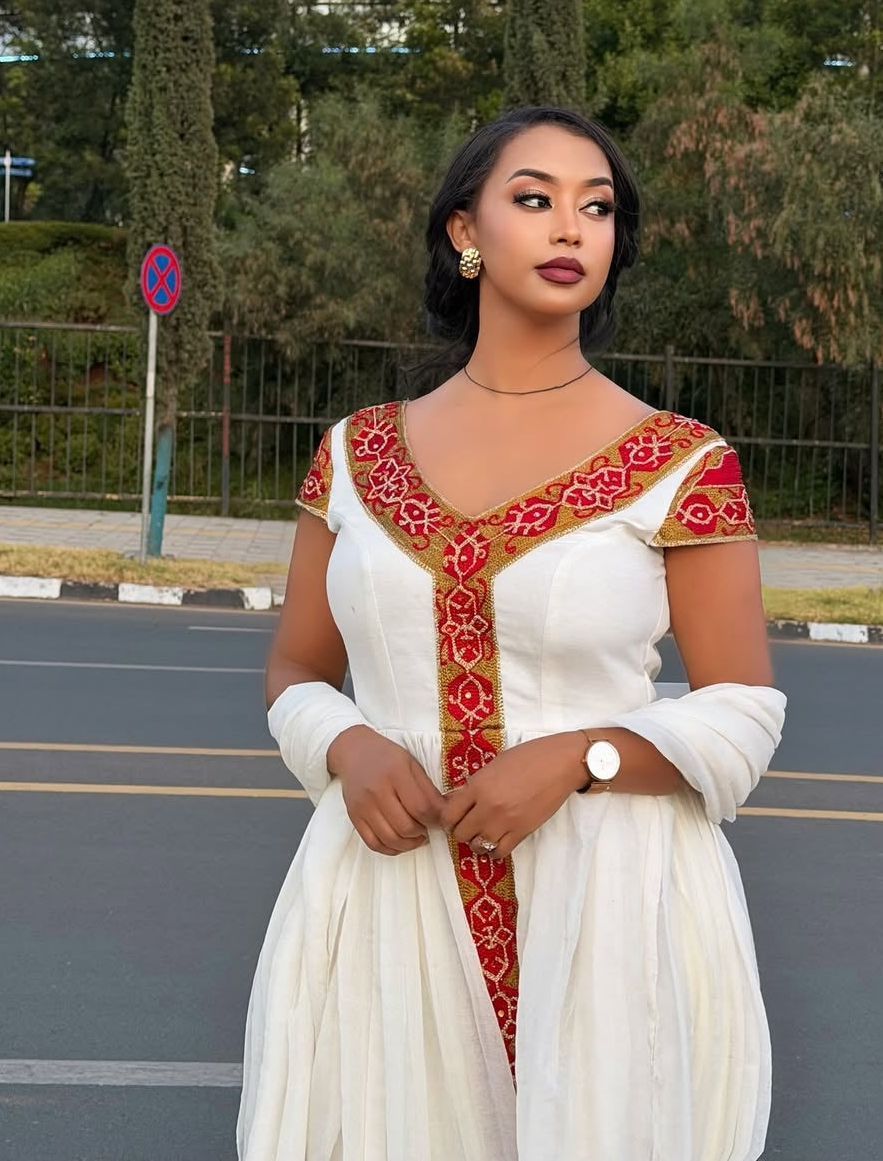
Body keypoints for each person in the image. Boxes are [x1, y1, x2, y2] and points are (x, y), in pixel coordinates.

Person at [237, 106, 787, 1161]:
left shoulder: (681, 463)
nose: (570, 228)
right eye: (534, 199)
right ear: (466, 233)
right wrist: (346, 746)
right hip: (389, 894)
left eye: (599, 208)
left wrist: (582, 758)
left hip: (608, 905)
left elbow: (742, 709)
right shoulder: (356, 457)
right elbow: (298, 666)